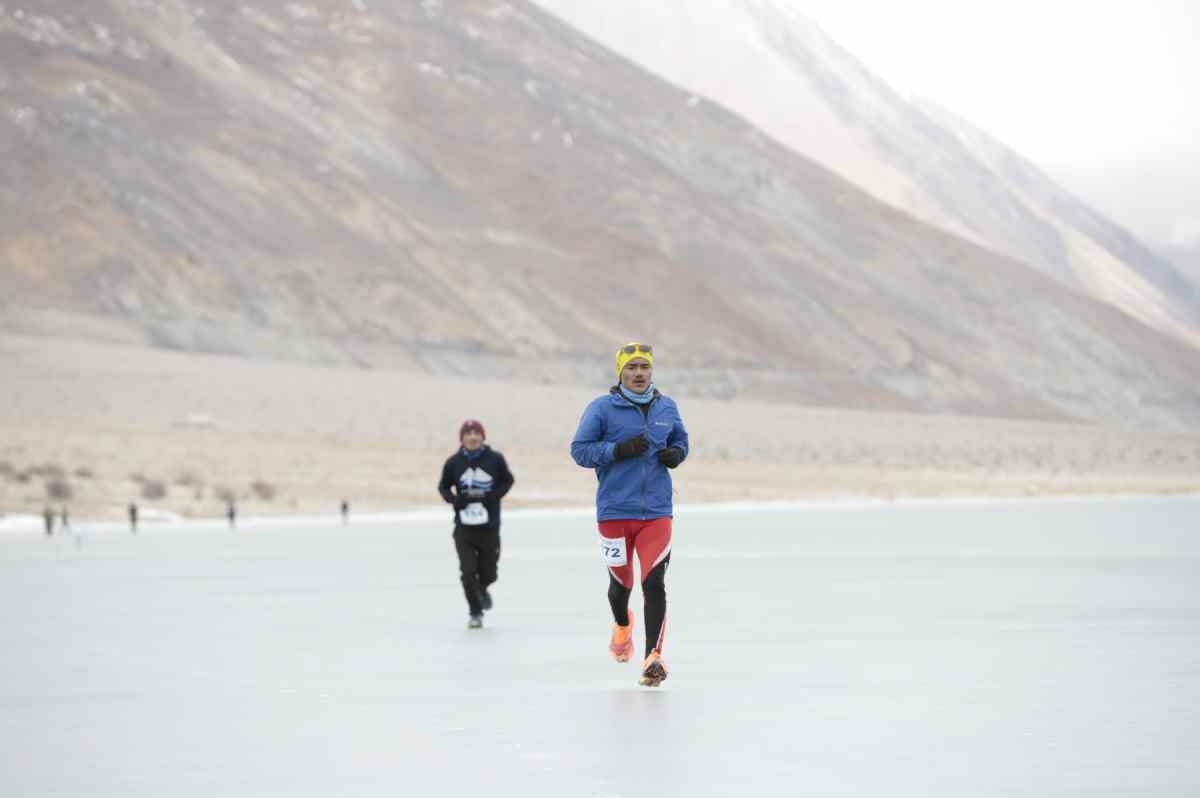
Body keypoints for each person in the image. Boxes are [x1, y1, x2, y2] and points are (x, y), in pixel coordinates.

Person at [570, 343, 688, 687]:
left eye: (644, 367)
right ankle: (622, 626)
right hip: (614, 512)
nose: (639, 373)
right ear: (620, 372)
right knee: (621, 586)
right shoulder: (602, 408)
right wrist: (617, 450)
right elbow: (579, 450)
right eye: (632, 367)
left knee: (654, 583)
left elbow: (681, 439)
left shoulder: (667, 406)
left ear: (652, 371)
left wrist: (676, 453)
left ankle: (653, 657)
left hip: (656, 512)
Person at [438, 419, 514, 629]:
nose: (472, 437)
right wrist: (455, 500)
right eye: (468, 433)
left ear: (483, 436)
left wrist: (495, 496)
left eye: (476, 433)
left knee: (490, 573)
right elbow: (443, 487)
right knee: (467, 571)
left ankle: (481, 590)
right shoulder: (453, 462)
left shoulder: (495, 459)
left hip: (489, 527)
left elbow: (508, 480)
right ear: (462, 438)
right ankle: (475, 612)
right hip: (464, 528)